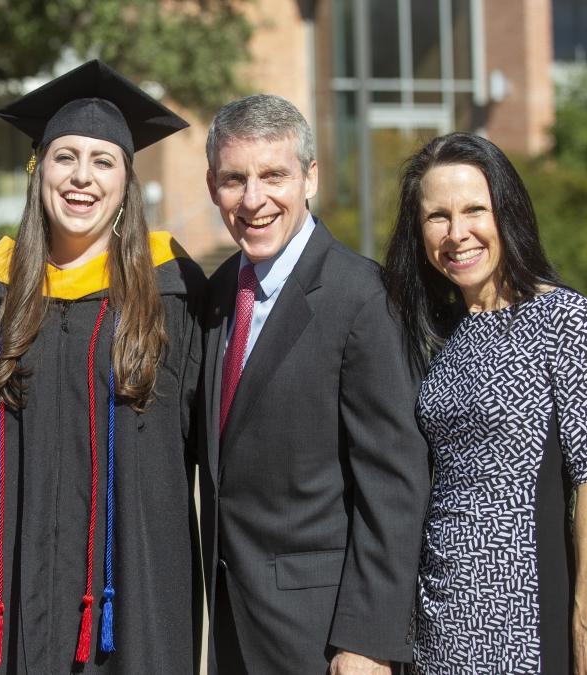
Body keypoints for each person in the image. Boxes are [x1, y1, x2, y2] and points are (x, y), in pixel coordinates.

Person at [0, 60, 204, 674]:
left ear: (126, 180)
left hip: (134, 598)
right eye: (65, 157)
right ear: (38, 170)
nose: (82, 178)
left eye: (103, 161)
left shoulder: (176, 295)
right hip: (9, 594)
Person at [197, 94, 431, 674]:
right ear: (211, 186)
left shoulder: (363, 298)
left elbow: (393, 484)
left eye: (273, 175)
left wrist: (369, 641)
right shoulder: (221, 291)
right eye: (234, 179)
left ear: (310, 178)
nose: (253, 199)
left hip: (324, 635)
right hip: (233, 620)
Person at [382, 132, 587, 675]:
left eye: (475, 210)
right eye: (437, 217)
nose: (457, 233)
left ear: (507, 214)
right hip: (435, 618)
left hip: (522, 617)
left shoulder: (565, 320)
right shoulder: (437, 337)